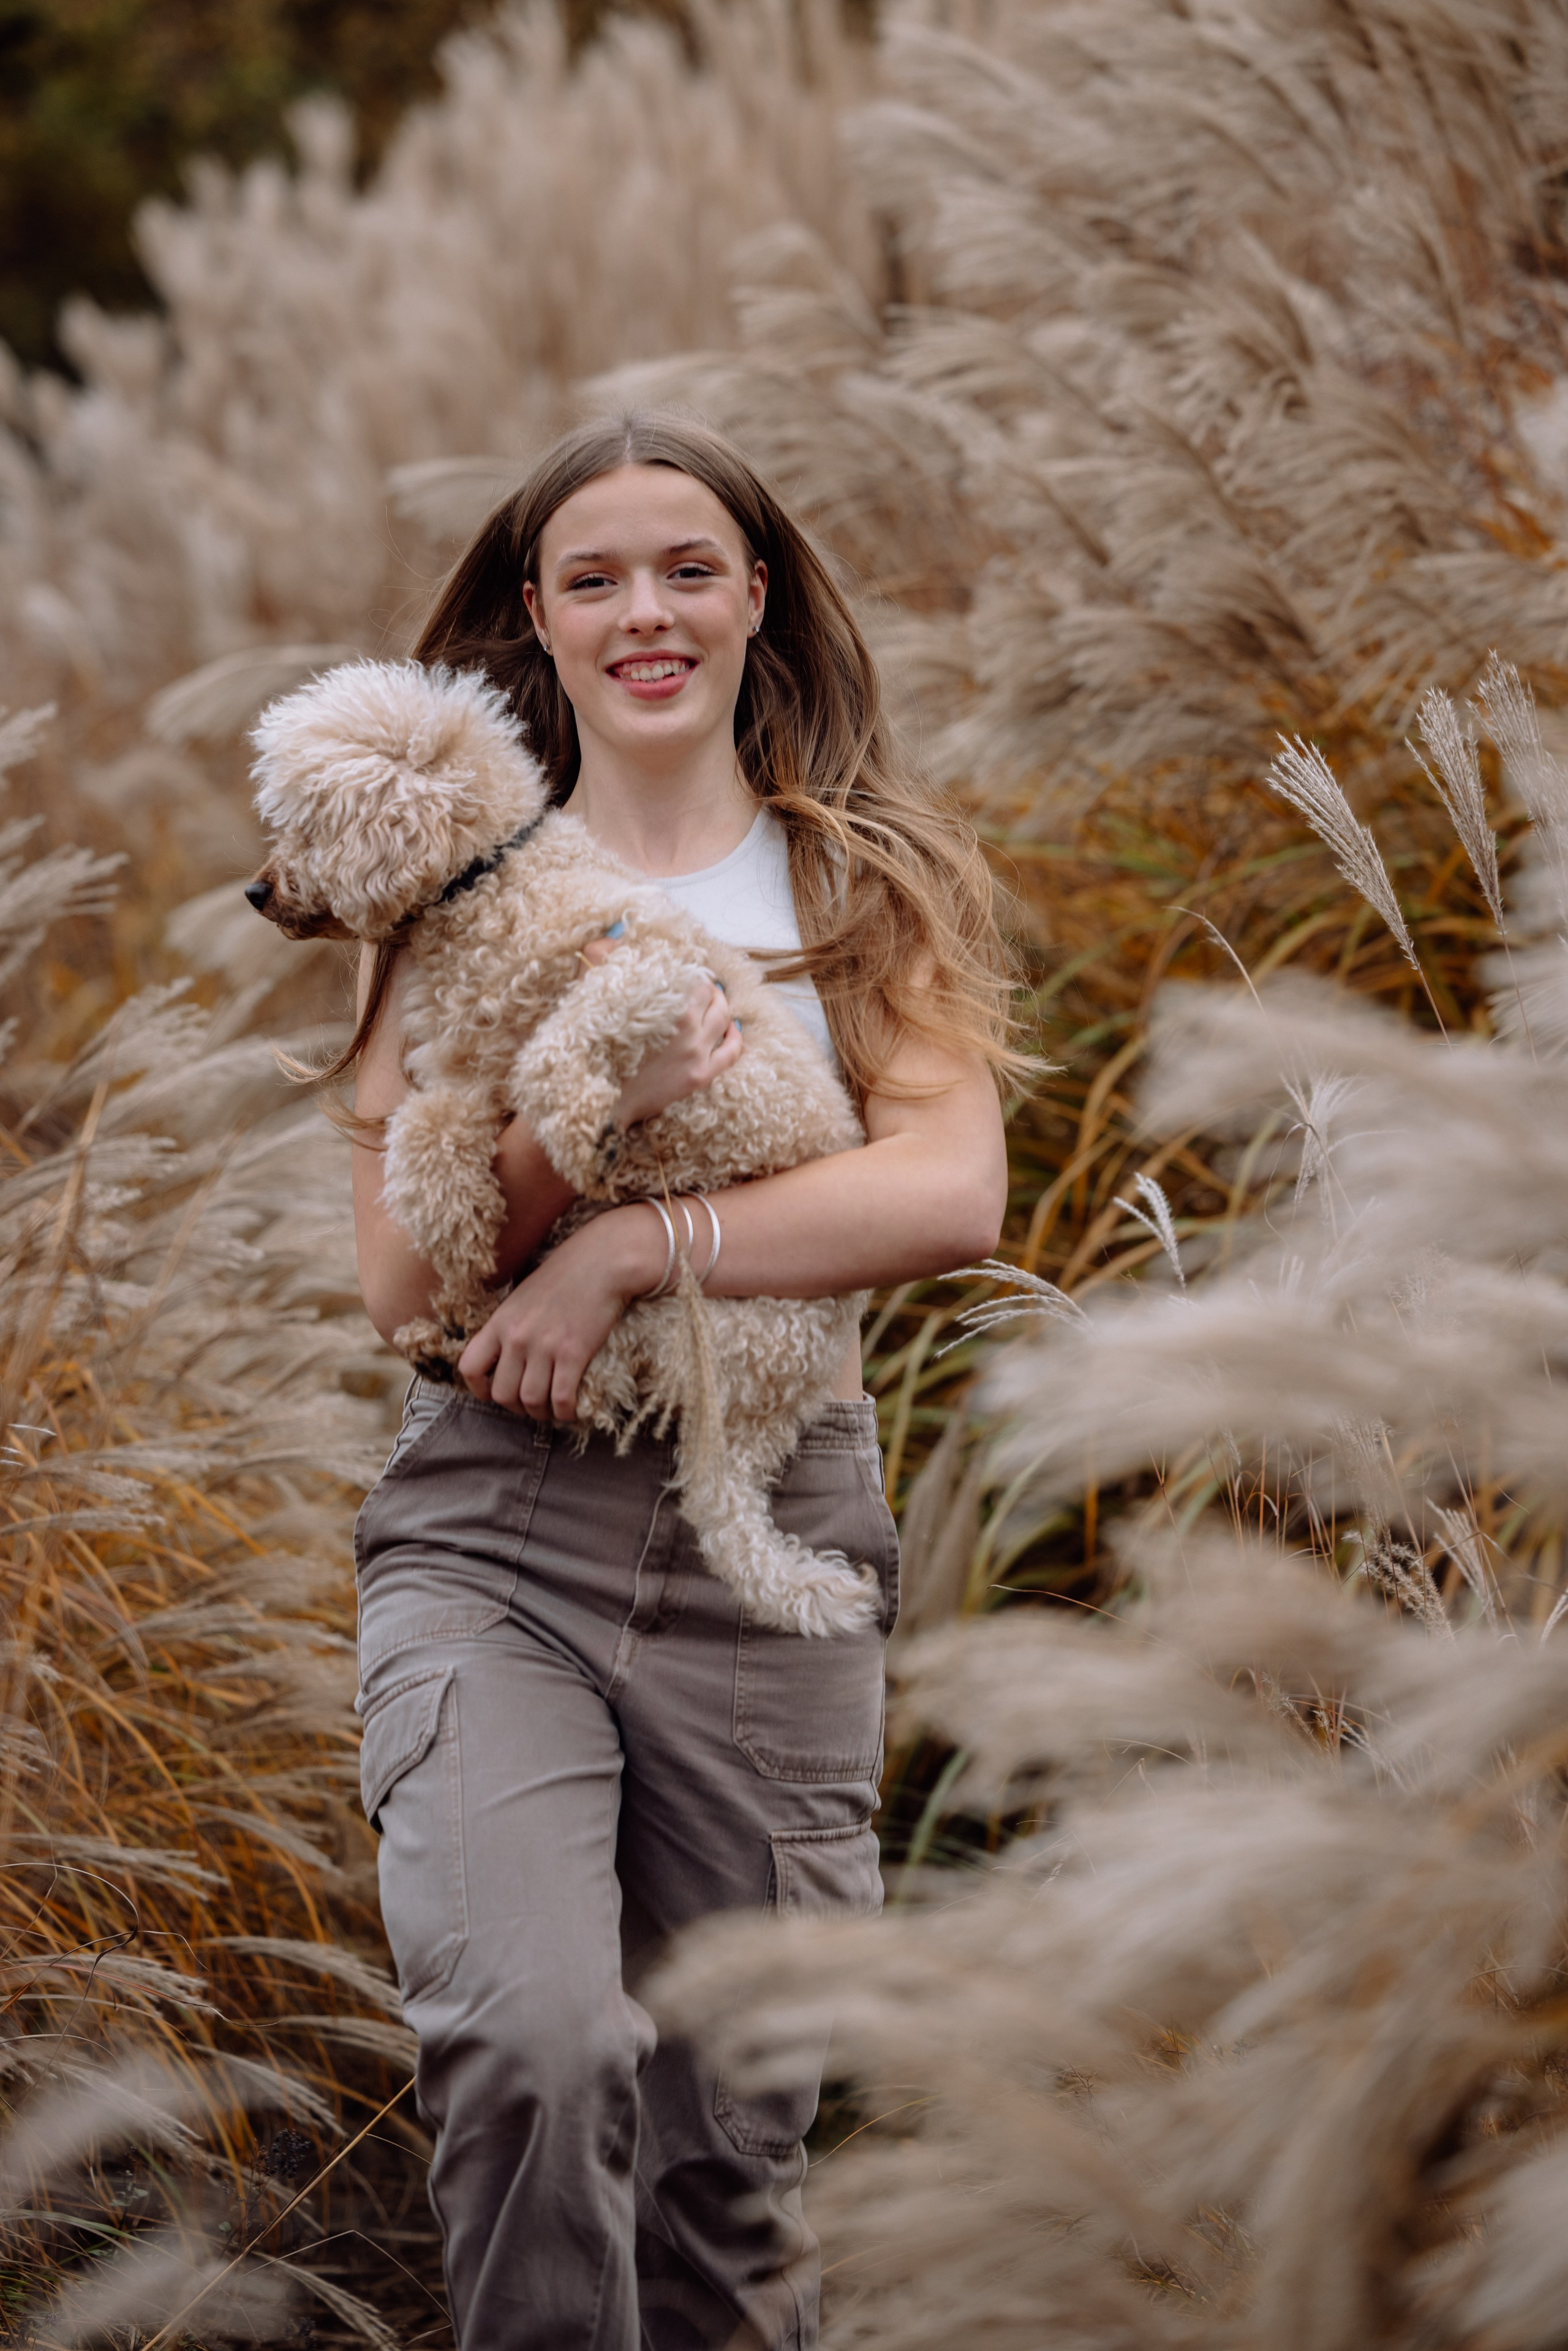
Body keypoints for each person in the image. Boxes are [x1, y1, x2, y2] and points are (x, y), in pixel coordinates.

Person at [341, 413, 1017, 2351]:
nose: (647, 611)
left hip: (772, 1527)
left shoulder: (862, 879)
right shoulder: (447, 897)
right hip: (493, 1533)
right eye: (596, 578)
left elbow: (950, 1187)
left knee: (735, 2152)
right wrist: (584, 1124)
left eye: (689, 569)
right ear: (533, 626)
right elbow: (402, 1276)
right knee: (533, 2044)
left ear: (758, 599)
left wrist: (644, 1245)